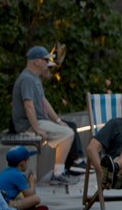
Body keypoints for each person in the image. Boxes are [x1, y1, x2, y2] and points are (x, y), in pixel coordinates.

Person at [11, 46, 81, 185]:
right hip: (28, 125)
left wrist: (58, 120)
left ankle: (62, 170)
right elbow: (28, 106)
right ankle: (58, 174)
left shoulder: (35, 78)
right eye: (45, 59)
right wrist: (36, 129)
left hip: (37, 121)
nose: (47, 62)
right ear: (36, 61)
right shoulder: (27, 79)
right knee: (68, 133)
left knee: (67, 129)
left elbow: (44, 101)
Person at [0, 146, 48, 210]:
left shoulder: (6, 171)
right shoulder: (18, 175)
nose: (27, 163)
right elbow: (29, 195)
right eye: (27, 160)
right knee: (36, 199)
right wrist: (32, 182)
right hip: (5, 206)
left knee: (20, 196)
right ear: (22, 163)